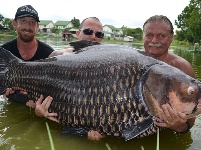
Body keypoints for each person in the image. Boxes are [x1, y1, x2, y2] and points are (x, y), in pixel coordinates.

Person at [2, 5, 71, 106]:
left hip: (37, 106)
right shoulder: (4, 52)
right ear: (14, 23)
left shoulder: (48, 53)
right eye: (23, 21)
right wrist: (4, 89)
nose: (28, 26)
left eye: (32, 22)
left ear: (37, 26)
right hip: (12, 103)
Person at [142, 15, 195, 134]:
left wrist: (181, 127)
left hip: (166, 133)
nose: (154, 41)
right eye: (149, 35)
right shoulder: (131, 65)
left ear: (171, 38)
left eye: (161, 36)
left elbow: (192, 119)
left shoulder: (182, 67)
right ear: (143, 37)